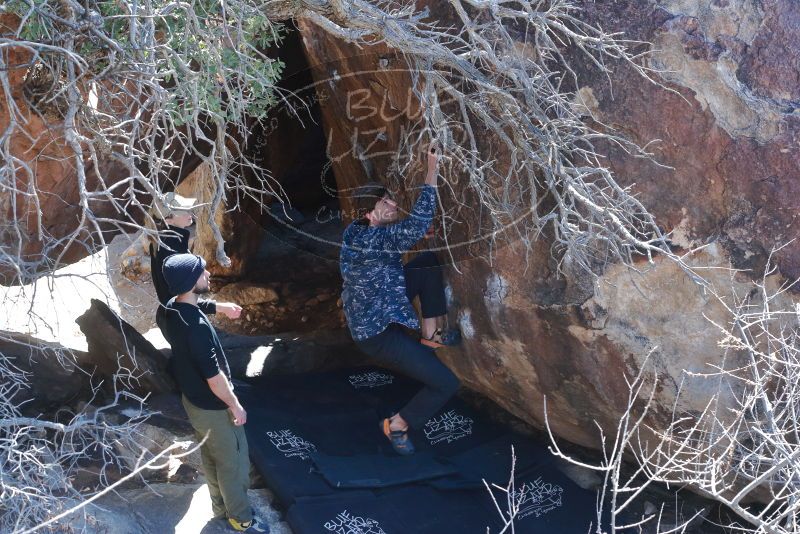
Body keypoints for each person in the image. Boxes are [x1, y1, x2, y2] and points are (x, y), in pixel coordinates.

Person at [339, 142, 461, 456]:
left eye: (390, 199)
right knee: (446, 383)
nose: (393, 204)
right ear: (370, 211)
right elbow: (417, 222)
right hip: (378, 336)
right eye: (386, 202)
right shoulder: (376, 237)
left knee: (427, 263)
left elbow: (408, 235)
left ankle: (429, 337)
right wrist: (432, 169)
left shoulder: (357, 229)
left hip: (381, 305)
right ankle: (397, 424)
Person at [160, 253, 267, 532]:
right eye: (202, 272)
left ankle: (220, 507)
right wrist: (234, 405)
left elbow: (196, 304)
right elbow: (213, 377)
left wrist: (220, 307)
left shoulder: (172, 308)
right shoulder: (196, 330)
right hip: (214, 404)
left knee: (211, 456)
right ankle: (241, 518)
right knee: (234, 462)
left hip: (193, 400)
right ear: (189, 282)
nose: (208, 274)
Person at [149, 192, 241, 331]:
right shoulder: (172, 251)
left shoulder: (162, 241)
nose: (189, 212)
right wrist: (220, 307)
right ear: (168, 220)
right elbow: (183, 299)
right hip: (182, 323)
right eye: (183, 211)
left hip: (172, 317)